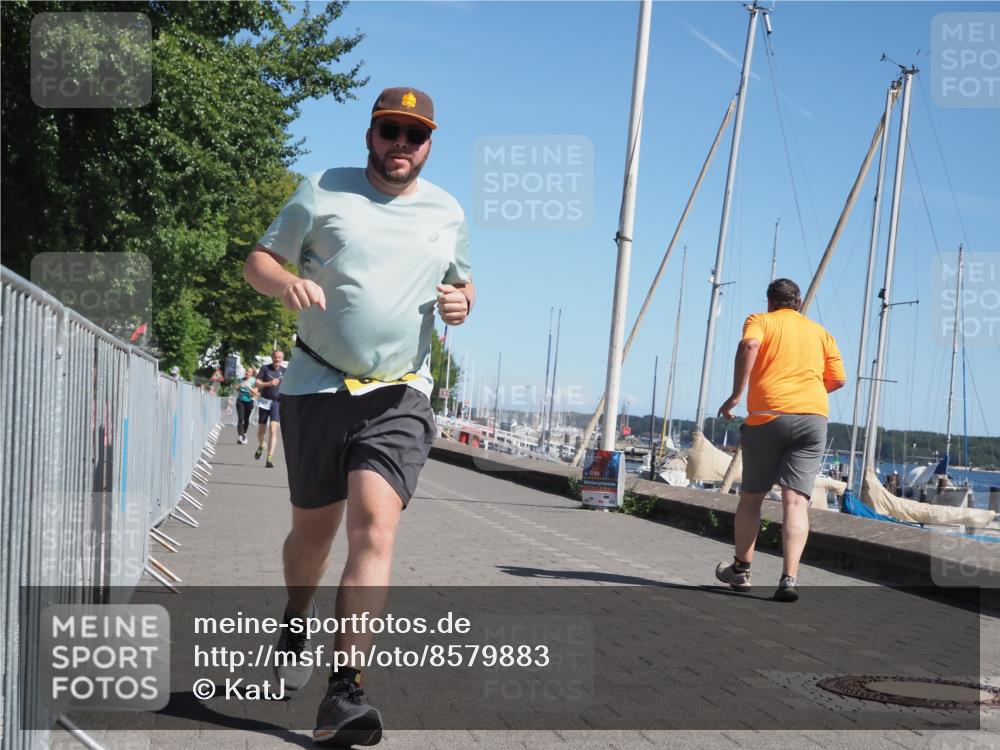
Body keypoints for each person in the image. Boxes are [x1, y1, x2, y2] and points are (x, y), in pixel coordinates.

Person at [243, 86, 473, 746]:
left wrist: (463, 302)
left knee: (374, 526)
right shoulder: (321, 189)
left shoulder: (448, 211)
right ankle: (295, 615)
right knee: (311, 538)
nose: (402, 144)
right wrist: (284, 282)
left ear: (430, 144)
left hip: (400, 392)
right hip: (316, 386)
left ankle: (345, 691)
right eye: (390, 131)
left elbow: (464, 281)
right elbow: (258, 260)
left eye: (416, 134)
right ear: (369, 134)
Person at [715, 278, 845, 602]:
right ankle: (789, 578)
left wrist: (735, 395)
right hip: (813, 419)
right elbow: (838, 379)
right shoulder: (821, 333)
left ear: (770, 302)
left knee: (752, 498)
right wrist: (806, 394)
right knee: (797, 501)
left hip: (767, 417)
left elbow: (749, 346)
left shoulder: (760, 321)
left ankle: (741, 570)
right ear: (799, 302)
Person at [254, 350, 285, 468]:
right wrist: (269, 383)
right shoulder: (265, 369)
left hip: (277, 403)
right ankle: (262, 445)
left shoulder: (284, 372)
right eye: (276, 357)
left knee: (273, 430)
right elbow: (257, 383)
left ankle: (269, 459)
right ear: (272, 358)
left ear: (282, 359)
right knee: (261, 432)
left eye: (280, 358)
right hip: (264, 401)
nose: (277, 359)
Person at [235, 366, 258, 444]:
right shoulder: (241, 379)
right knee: (240, 419)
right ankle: (240, 437)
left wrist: (249, 387)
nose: (247, 373)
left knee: (246, 419)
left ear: (252, 374)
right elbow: (237, 389)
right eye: (247, 371)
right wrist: (239, 386)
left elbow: (255, 393)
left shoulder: (254, 381)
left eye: (250, 372)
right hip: (240, 401)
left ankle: (244, 434)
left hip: (249, 401)